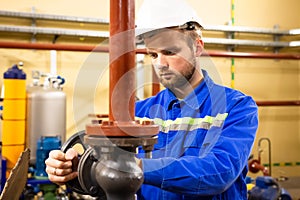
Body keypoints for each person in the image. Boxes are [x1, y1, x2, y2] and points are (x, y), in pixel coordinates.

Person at [45, 0, 258, 199]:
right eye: (153, 55)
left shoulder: (236, 107)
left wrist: (135, 166)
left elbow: (218, 172)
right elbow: (110, 181)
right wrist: (76, 169)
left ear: (197, 47)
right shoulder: (138, 113)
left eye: (170, 52)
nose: (160, 64)